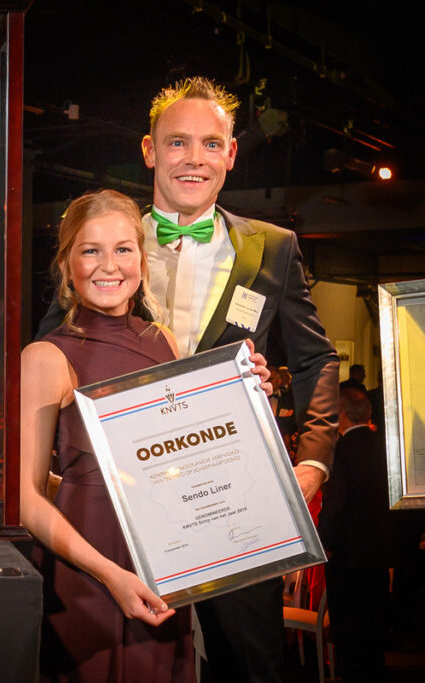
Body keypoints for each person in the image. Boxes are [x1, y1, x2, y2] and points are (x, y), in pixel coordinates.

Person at [36, 77, 339, 682]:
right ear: (150, 151)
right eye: (177, 142)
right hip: (126, 505)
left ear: (231, 154)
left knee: (252, 665)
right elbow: (55, 345)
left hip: (233, 499)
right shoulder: (109, 244)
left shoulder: (273, 248)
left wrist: (313, 461)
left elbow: (315, 359)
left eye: (210, 144)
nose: (193, 159)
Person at [22, 189, 273, 681]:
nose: (108, 265)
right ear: (67, 264)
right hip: (89, 569)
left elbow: (189, 453)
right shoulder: (47, 356)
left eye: (123, 249)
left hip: (164, 562)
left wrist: (246, 392)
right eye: (90, 250)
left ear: (141, 258)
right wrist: (110, 575)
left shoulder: (163, 342)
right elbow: (26, 499)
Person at [317, 388, 397, 682]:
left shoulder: (342, 449)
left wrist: (322, 542)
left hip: (348, 552)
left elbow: (335, 502)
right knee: (374, 623)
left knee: (348, 626)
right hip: (379, 550)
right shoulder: (385, 446)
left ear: (342, 415)